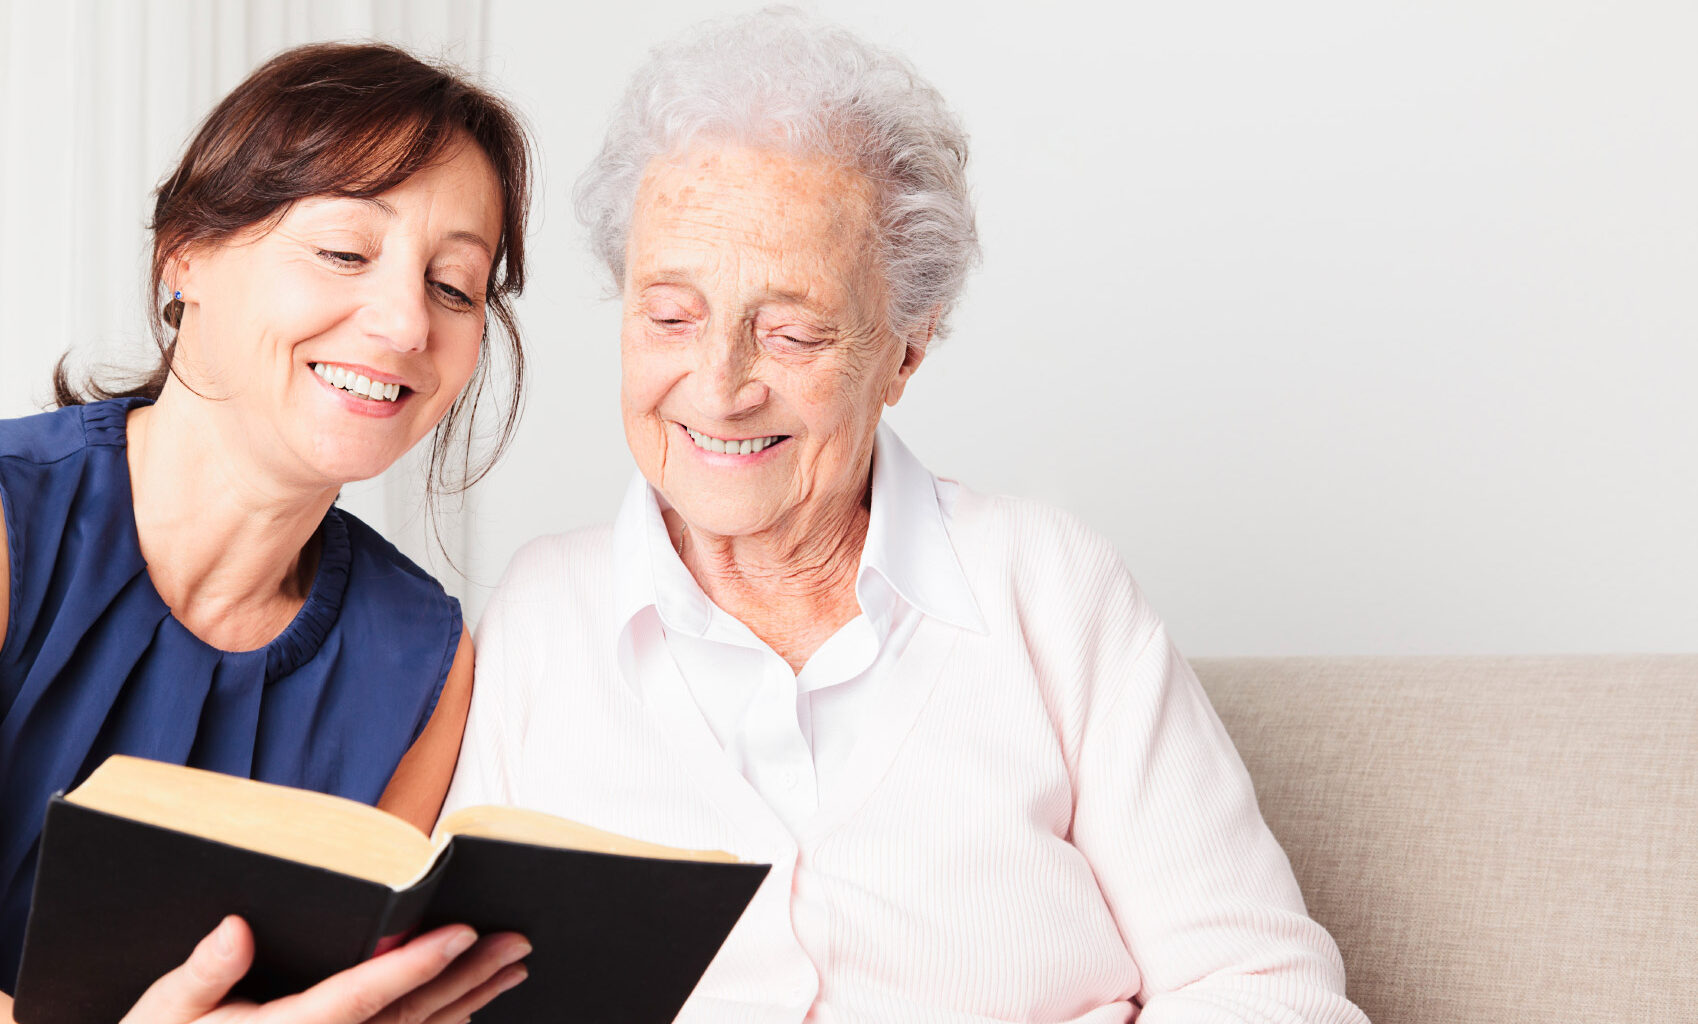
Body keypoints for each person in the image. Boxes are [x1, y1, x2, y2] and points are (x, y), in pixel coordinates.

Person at [445, 9, 1372, 1023]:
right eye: (670, 317)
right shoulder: (542, 616)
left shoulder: (1046, 585)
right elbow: (454, 994)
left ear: (906, 350)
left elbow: (1260, 988)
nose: (719, 386)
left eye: (791, 332)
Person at [0, 43, 532, 1021]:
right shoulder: (8, 526)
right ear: (186, 255)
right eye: (344, 252)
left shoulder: (423, 660)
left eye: (454, 285)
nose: (407, 322)